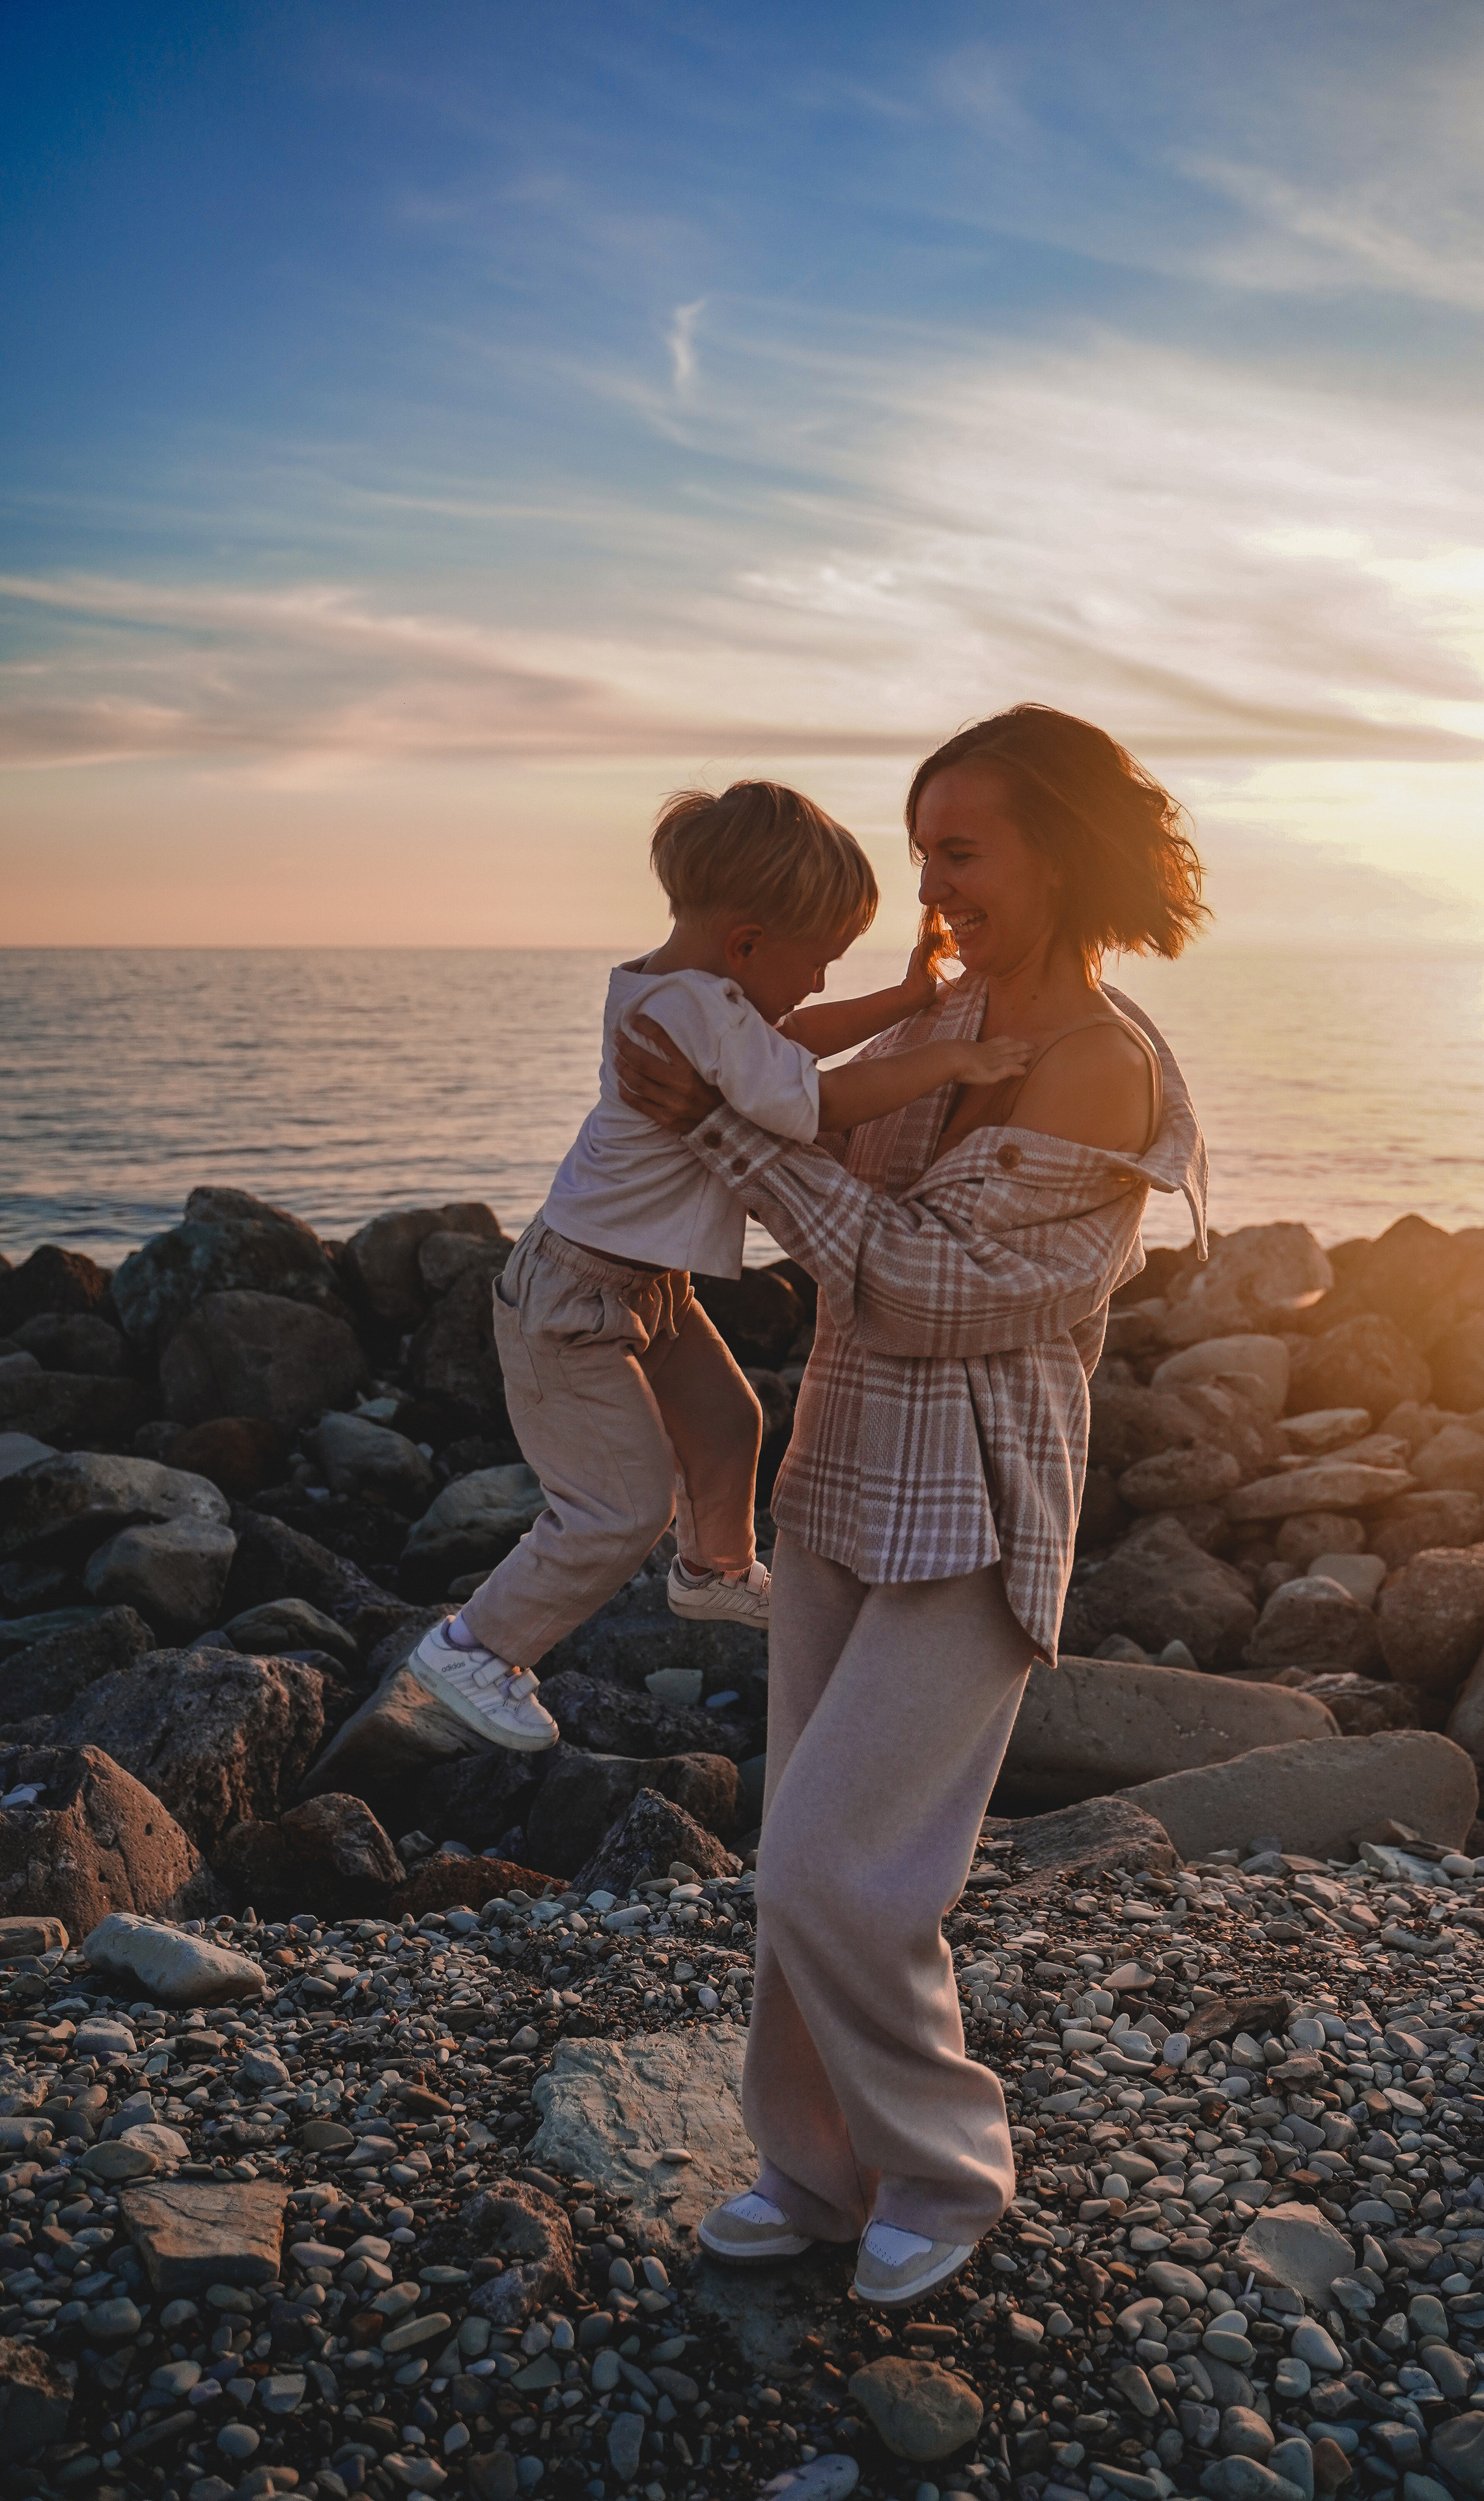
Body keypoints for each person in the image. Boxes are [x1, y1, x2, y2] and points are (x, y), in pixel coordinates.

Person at [613, 704, 1210, 2307]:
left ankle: (944, 2169)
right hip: (838, 1483)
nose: (933, 882)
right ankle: (815, 2172)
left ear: (1059, 854)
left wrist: (729, 1123)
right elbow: (790, 1125)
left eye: (962, 849)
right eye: (922, 846)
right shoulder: (939, 1014)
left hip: (977, 1510)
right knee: (790, 1869)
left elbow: (933, 1289)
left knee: (841, 1868)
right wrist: (693, 1047)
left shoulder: (1097, 1063)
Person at [407, 778, 1033, 1751]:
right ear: (746, 945)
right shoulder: (694, 1014)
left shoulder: (689, 992)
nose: (823, 983)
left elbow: (785, 1044)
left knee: (730, 1421)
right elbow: (815, 1102)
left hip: (643, 1289)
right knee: (619, 1510)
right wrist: (946, 1061)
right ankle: (476, 1650)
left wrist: (909, 999)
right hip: (573, 1301)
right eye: (819, 961)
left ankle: (715, 1572)